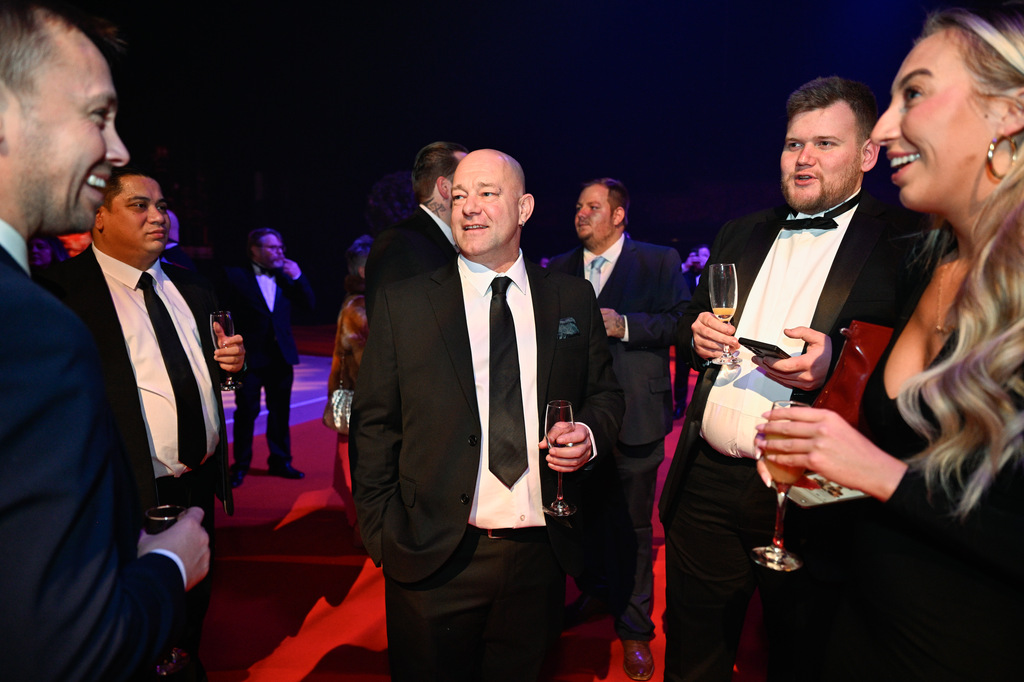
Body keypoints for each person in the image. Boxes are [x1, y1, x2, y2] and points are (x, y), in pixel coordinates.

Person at [759, 7, 1024, 680]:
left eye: (914, 94)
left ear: (1008, 113)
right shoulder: (926, 264)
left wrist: (875, 472)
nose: (882, 129)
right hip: (864, 628)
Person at [658, 76, 920, 682]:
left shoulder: (906, 241)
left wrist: (837, 363)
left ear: (867, 155)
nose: (804, 159)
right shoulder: (740, 231)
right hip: (705, 483)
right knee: (693, 653)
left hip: (809, 493)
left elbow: (922, 367)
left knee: (803, 653)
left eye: (825, 144)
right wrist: (696, 338)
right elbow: (689, 321)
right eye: (793, 144)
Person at [352, 149, 624, 681]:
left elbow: (606, 395)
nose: (468, 207)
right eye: (459, 196)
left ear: (524, 208)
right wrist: (384, 533)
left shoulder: (571, 298)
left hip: (540, 555)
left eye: (486, 193)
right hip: (433, 556)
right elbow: (374, 425)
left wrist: (589, 434)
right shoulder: (406, 304)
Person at [0, 3, 209, 680]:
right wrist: (168, 565)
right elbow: (66, 646)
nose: (116, 150)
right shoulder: (33, 324)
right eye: (97, 116)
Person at [37, 167, 244, 680]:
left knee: (192, 610)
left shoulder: (193, 285)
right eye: (139, 205)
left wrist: (234, 366)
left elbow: (207, 372)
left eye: (162, 205)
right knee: (131, 623)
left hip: (197, 482)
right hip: (123, 491)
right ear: (99, 217)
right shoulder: (61, 292)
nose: (159, 216)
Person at [548, 177, 688, 681]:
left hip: (637, 417)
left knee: (632, 528)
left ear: (619, 214)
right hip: (576, 423)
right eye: (578, 206)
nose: (581, 213)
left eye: (592, 206)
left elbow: (681, 323)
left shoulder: (658, 261)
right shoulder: (559, 267)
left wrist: (624, 324)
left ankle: (634, 629)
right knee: (579, 519)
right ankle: (596, 592)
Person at [220, 227, 315, 487]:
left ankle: (280, 461)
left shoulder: (286, 276)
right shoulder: (234, 275)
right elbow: (222, 315)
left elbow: (309, 306)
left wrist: (298, 277)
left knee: (280, 411)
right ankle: (240, 465)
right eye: (273, 247)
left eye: (281, 247)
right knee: (246, 411)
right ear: (254, 249)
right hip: (250, 358)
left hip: (281, 356)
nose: (280, 252)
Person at [363, 140, 467, 319]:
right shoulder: (397, 242)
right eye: (466, 181)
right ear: (445, 188)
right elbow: (389, 324)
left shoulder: (458, 240)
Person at [328, 233, 372, 543]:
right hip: (361, 401)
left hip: (355, 398)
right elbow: (364, 362)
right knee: (360, 466)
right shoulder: (360, 306)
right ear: (363, 270)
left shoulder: (358, 301)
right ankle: (363, 527)